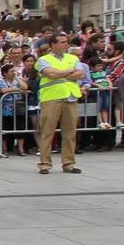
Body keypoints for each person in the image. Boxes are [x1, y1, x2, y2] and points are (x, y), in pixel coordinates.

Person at [36, 32, 83, 174]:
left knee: (70, 133)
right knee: (47, 132)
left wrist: (60, 73)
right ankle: (45, 164)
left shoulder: (73, 58)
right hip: (51, 98)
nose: (66, 44)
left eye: (66, 42)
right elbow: (50, 74)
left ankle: (69, 163)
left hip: (70, 97)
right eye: (62, 42)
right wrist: (69, 71)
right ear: (53, 45)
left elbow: (80, 74)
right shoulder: (43, 59)